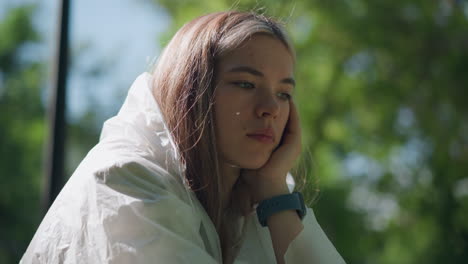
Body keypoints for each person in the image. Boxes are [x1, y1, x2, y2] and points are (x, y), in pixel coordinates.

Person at [21, 11, 346, 264]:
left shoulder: (252, 197)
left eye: (284, 93)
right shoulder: (127, 180)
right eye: (246, 84)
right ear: (191, 92)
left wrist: (274, 191)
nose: (270, 109)